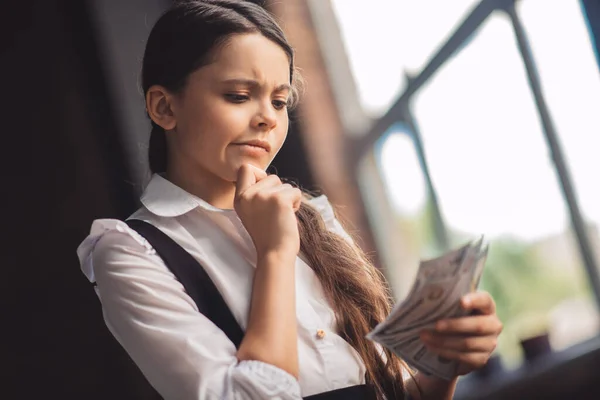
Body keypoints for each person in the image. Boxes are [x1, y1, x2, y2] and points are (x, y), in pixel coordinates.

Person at [76, 1, 503, 399]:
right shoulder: (130, 252)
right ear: (164, 108)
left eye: (279, 101)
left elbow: (388, 388)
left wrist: (445, 362)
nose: (266, 117)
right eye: (239, 96)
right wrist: (276, 252)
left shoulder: (313, 214)